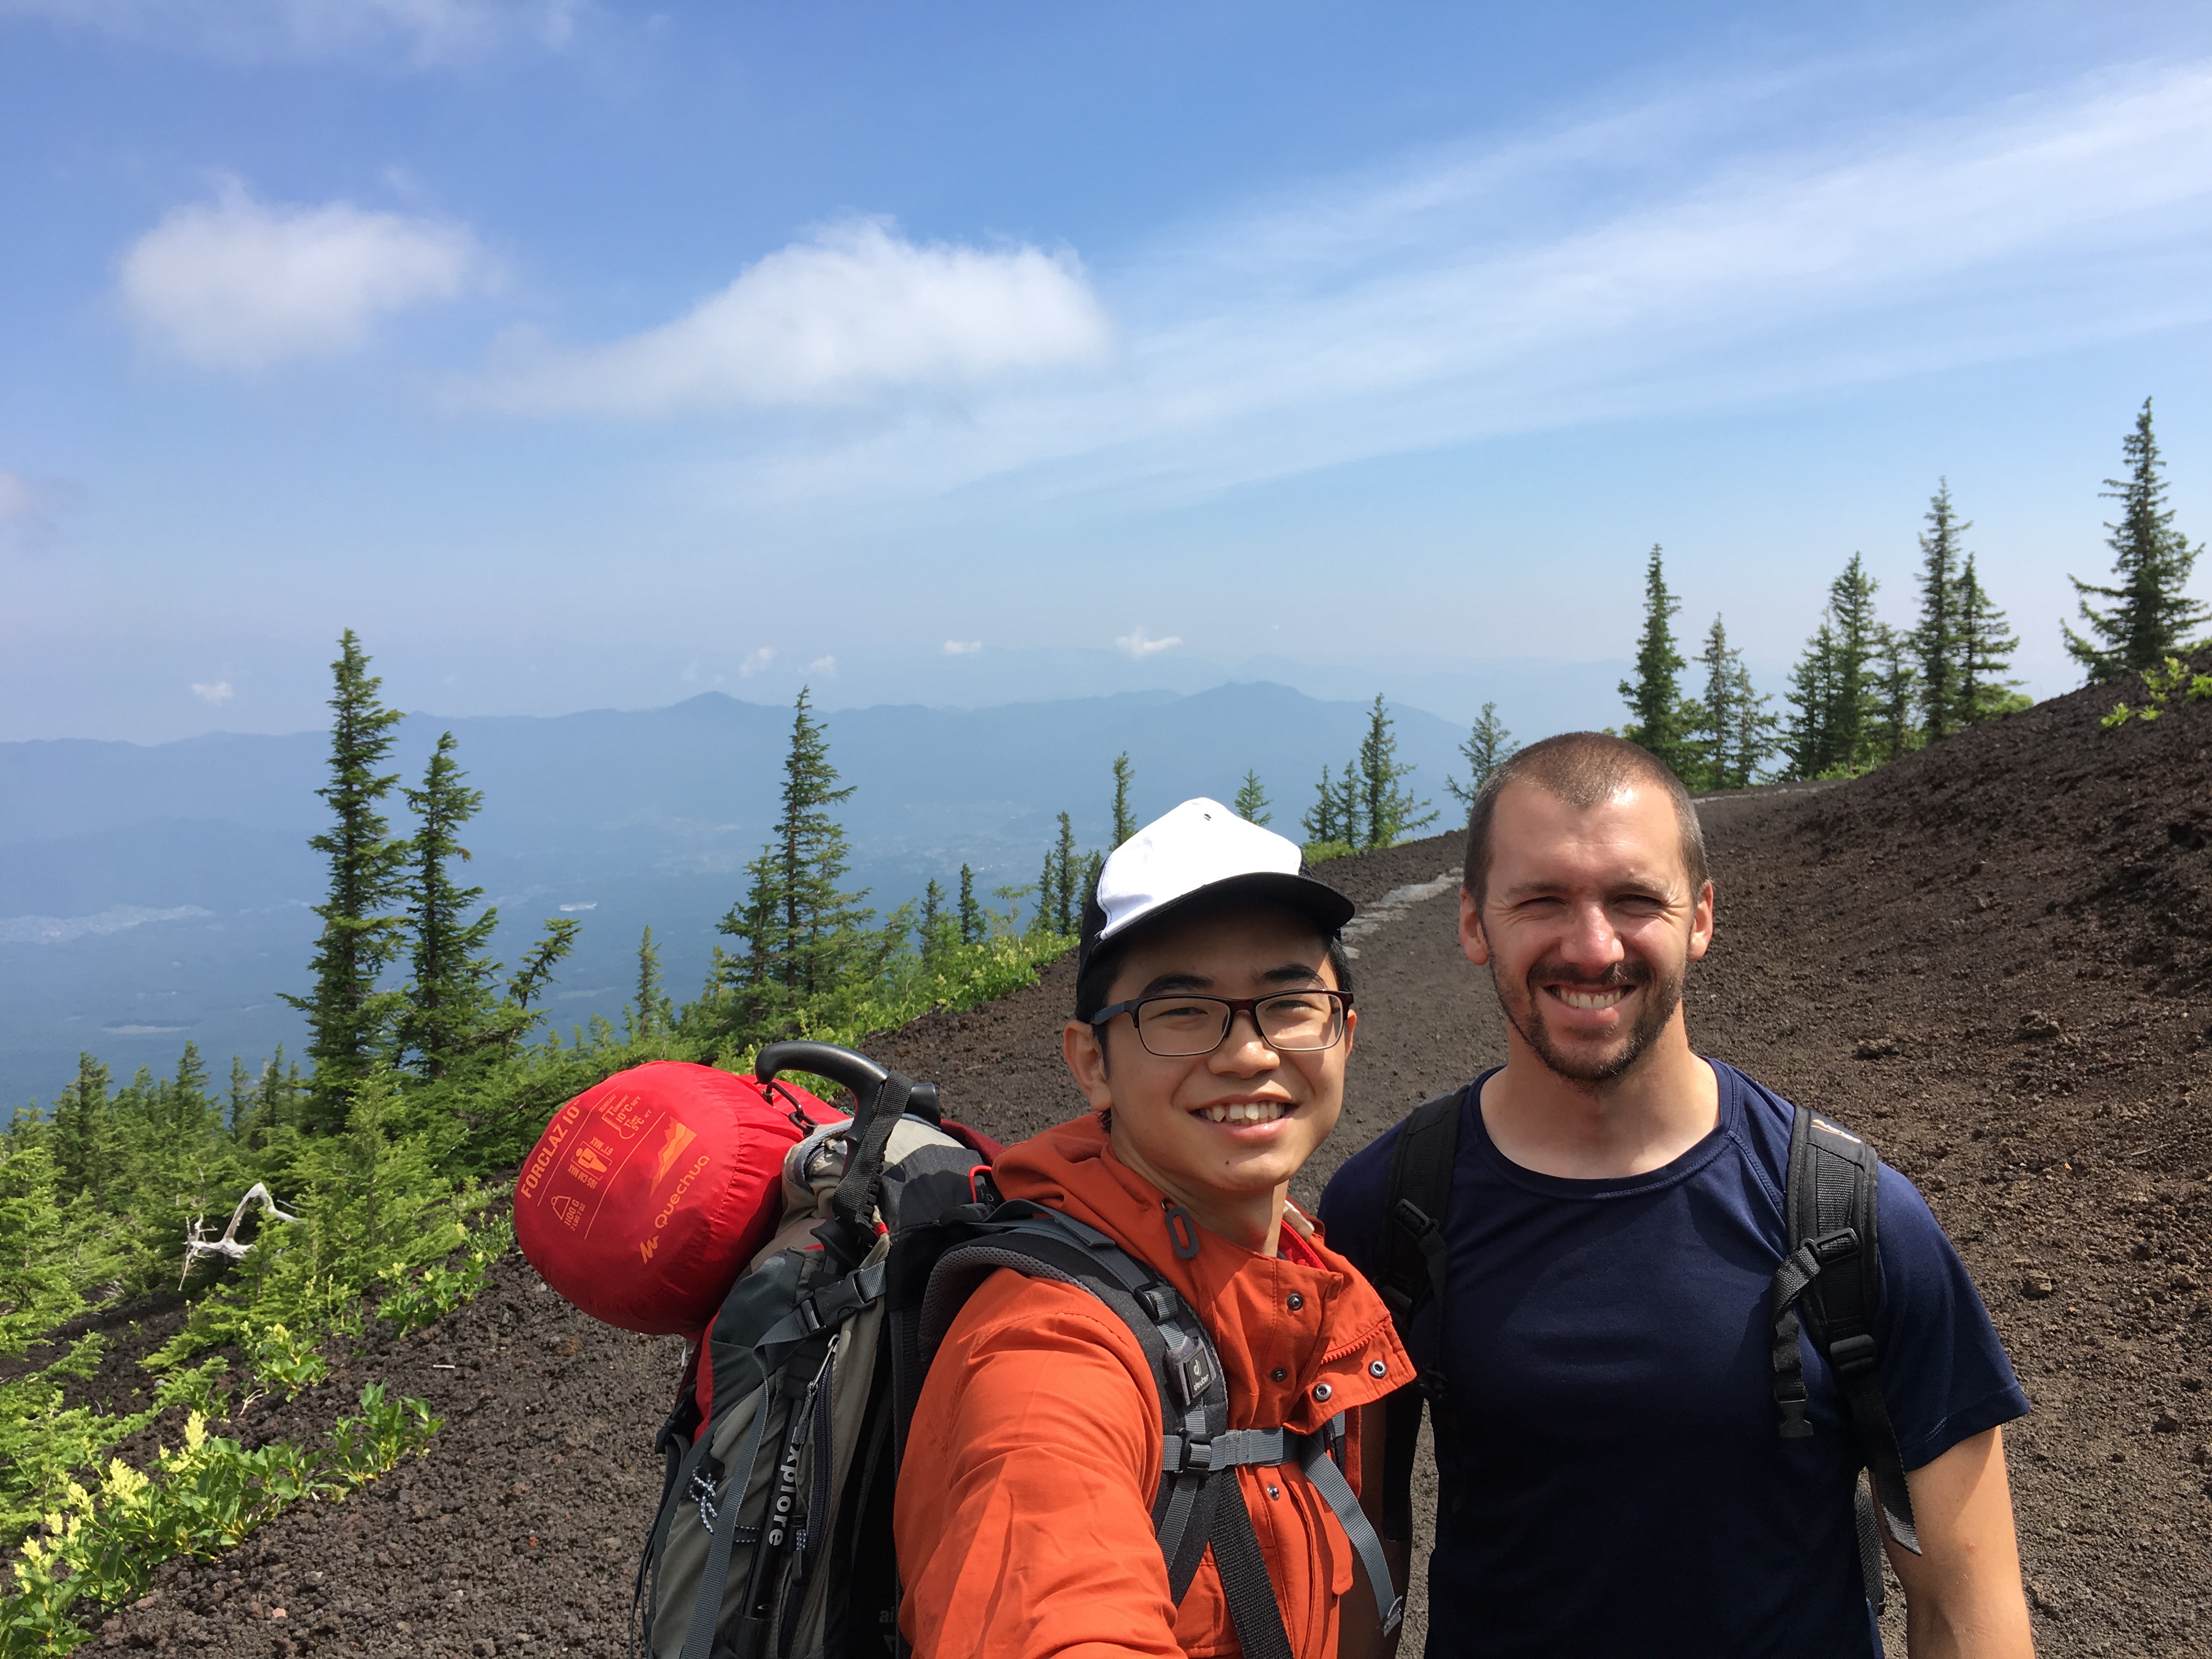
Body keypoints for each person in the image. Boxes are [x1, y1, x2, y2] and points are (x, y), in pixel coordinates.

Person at [1319, 732, 2035, 1659]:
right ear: (1473, 922)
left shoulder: (1854, 1220)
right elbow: (1350, 1578)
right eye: (1541, 900)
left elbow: (1968, 1611)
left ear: (1699, 917)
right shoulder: (1385, 1210)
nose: (1592, 946)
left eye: (1634, 899)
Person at [897, 798, 1413, 1659]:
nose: (1248, 1053)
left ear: (1344, 1033)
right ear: (1091, 1062)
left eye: (1290, 1003)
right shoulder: (1045, 1355)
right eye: (1182, 1013)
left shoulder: (1300, 1282)